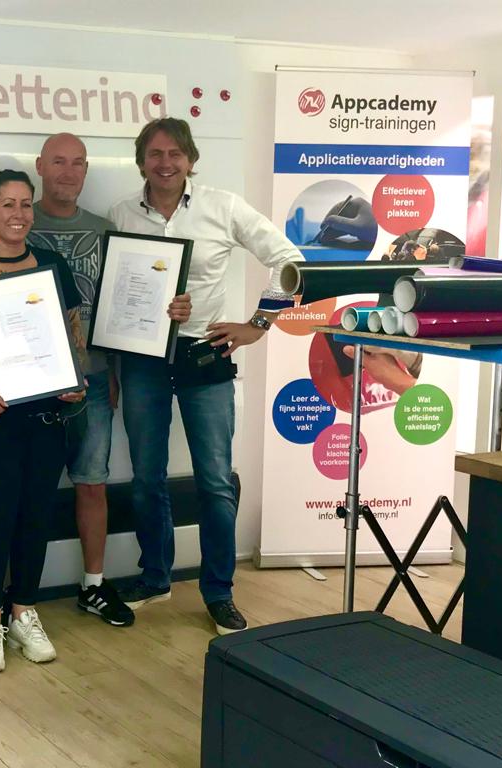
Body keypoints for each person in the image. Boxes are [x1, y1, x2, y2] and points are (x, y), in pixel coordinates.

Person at [109, 117, 301, 635]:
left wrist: (258, 325)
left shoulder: (224, 206)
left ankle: (219, 591)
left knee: (215, 481)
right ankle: (155, 577)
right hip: (143, 357)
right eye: (155, 153)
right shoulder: (122, 213)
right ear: (141, 161)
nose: (165, 163)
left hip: (205, 352)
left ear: (191, 159)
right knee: (146, 478)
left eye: (175, 153)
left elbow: (289, 260)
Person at [0, 170, 86, 672]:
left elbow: (72, 332)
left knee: (36, 515)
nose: (18, 214)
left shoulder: (53, 265)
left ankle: (24, 611)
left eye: (26, 204)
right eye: (7, 204)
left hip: (45, 414)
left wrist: (76, 377)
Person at [27, 132, 134, 627]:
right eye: (58, 162)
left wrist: (112, 370)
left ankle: (93, 586)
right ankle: (19, 596)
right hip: (32, 387)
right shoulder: (17, 222)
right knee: (31, 490)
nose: (67, 172)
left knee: (93, 483)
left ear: (87, 170)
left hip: (93, 381)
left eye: (77, 163)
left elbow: (118, 307)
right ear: (40, 166)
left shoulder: (105, 230)